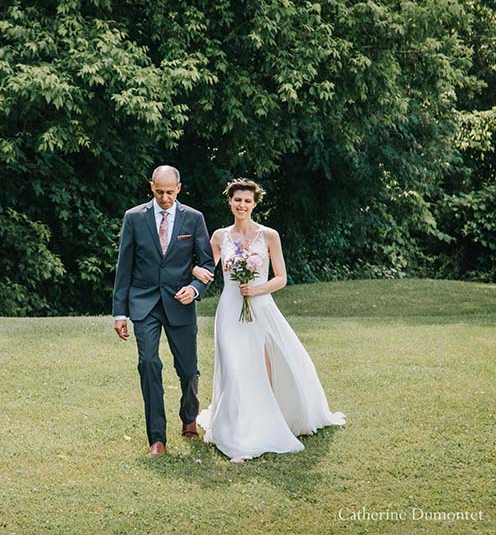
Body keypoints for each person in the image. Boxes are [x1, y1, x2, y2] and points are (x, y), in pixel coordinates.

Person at [193, 179, 345, 463]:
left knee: (263, 366)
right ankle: (235, 433)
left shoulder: (269, 236)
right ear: (230, 201)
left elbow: (281, 278)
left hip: (260, 307)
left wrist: (257, 288)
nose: (242, 205)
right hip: (229, 308)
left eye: (247, 201)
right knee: (234, 367)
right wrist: (195, 270)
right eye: (237, 200)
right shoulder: (219, 237)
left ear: (254, 204)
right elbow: (207, 269)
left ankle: (266, 422)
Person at [112, 166, 215, 456]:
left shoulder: (194, 219)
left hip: (179, 304)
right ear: (151, 187)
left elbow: (207, 265)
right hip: (144, 304)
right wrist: (120, 313)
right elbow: (124, 268)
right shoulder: (134, 218)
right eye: (160, 192)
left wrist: (194, 289)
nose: (165, 198)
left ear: (179, 189)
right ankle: (157, 439)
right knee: (148, 364)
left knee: (187, 368)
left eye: (170, 192)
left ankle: (189, 418)